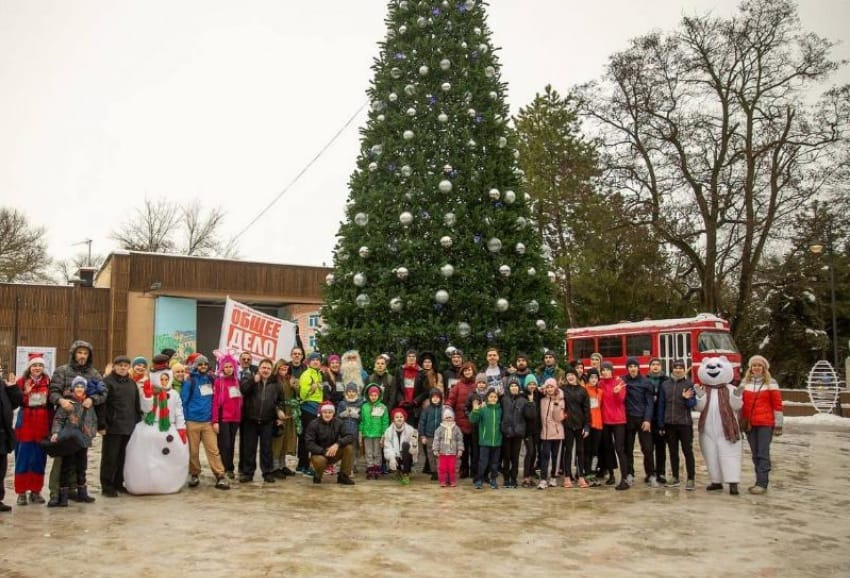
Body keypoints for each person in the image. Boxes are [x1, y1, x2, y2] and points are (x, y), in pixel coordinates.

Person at [47, 340, 104, 506]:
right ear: (73, 354)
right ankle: (55, 492)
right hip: (66, 422)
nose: (82, 356)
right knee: (61, 459)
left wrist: (93, 399)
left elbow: (103, 392)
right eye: (79, 353)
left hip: (84, 423)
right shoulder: (62, 371)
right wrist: (61, 400)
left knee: (80, 459)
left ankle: (74, 490)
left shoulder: (94, 373)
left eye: (85, 353)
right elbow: (53, 392)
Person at [124, 369, 191, 494]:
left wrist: (181, 428)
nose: (164, 382)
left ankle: (168, 483)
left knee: (173, 458)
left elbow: (178, 412)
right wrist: (148, 396)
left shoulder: (174, 394)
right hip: (150, 427)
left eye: (166, 379)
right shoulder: (150, 392)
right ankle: (146, 483)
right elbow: (145, 409)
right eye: (161, 379)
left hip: (167, 428)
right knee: (147, 459)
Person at [695, 356, 743, 495]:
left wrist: (737, 396)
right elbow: (699, 408)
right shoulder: (704, 389)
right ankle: (716, 481)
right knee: (711, 454)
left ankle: (733, 482)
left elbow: (736, 406)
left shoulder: (731, 389)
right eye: (709, 367)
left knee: (730, 455)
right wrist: (700, 397)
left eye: (718, 366)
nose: (713, 369)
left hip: (727, 428)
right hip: (707, 429)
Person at [181, 355, 229, 489]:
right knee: (193, 451)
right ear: (196, 366)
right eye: (200, 364)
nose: (203, 367)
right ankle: (194, 474)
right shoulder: (190, 381)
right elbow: (183, 401)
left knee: (213, 450)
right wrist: (184, 420)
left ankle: (220, 475)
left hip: (208, 422)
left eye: (205, 364)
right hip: (192, 421)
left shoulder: (211, 379)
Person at [50, 376, 99, 506]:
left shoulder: (88, 404)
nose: (79, 388)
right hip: (69, 440)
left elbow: (93, 420)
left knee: (82, 466)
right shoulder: (67, 403)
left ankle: (82, 493)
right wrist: (56, 432)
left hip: (83, 440)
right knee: (66, 467)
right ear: (73, 388)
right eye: (77, 386)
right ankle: (63, 496)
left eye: (82, 386)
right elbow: (58, 419)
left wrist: (91, 433)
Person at [740, 355, 783, 495]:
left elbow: (777, 405)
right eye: (754, 365)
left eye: (759, 365)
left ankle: (762, 483)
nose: (756, 368)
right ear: (750, 368)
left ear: (764, 368)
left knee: (762, 453)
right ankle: (758, 480)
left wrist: (778, 424)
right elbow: (738, 403)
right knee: (754, 454)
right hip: (750, 425)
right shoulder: (744, 383)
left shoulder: (771, 383)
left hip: (765, 424)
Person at [100, 355, 142, 497]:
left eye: (125, 365)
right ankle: (107, 486)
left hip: (128, 426)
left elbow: (136, 404)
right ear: (114, 366)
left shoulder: (131, 383)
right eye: (120, 365)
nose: (123, 368)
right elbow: (102, 405)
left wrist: (137, 420)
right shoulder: (107, 382)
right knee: (110, 457)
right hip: (112, 426)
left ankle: (118, 483)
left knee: (123, 457)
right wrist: (102, 424)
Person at [13, 356, 52, 505]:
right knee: (23, 458)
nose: (37, 368)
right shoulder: (21, 382)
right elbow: (16, 402)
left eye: (40, 365)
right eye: (34, 365)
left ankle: (36, 491)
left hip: (42, 424)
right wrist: (25, 393)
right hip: (26, 424)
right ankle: (21, 492)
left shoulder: (48, 382)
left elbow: (50, 403)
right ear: (29, 367)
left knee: (39, 459)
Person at [239, 358, 283, 483]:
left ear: (271, 370)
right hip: (250, 420)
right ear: (259, 368)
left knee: (267, 448)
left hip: (267, 421)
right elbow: (243, 390)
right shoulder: (250, 378)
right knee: (249, 448)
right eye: (263, 367)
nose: (266, 370)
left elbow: (279, 402)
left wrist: (279, 412)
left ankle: (267, 472)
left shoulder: (276, 384)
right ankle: (248, 473)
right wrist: (253, 381)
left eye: (268, 368)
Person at [656, 359, 697, 490]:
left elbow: (692, 404)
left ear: (684, 370)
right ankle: (675, 477)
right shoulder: (665, 385)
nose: (678, 369)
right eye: (675, 367)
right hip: (669, 424)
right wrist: (661, 423)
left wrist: (687, 399)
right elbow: (661, 404)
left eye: (680, 367)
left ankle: (691, 478)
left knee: (687, 451)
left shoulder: (689, 384)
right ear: (672, 369)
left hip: (684, 424)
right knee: (673, 452)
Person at [622, 358, 657, 487]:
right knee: (628, 449)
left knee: (647, 448)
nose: (632, 368)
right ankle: (629, 473)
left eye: (634, 366)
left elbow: (649, 403)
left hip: (643, 420)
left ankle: (651, 474)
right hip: (628, 419)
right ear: (627, 368)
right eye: (630, 366)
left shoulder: (646, 382)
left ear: (638, 368)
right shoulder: (622, 381)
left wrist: (647, 419)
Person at [304, 401, 355, 485]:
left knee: (348, 448)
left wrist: (337, 444)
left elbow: (350, 436)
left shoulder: (338, 422)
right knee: (321, 461)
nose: (327, 414)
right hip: (318, 454)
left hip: (333, 452)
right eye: (325, 412)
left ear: (333, 413)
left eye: (330, 412)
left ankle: (343, 476)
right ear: (321, 412)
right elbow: (309, 443)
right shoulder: (313, 424)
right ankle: (317, 475)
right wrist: (323, 451)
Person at [599, 361, 629, 490]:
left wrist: (617, 392)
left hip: (618, 421)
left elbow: (621, 400)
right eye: (602, 370)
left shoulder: (619, 382)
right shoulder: (600, 384)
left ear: (612, 371)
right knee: (608, 449)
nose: (604, 372)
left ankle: (624, 478)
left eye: (606, 370)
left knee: (620, 449)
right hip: (605, 421)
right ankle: (611, 474)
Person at [212, 353, 242, 480]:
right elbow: (215, 403)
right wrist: (215, 421)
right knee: (224, 445)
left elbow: (240, 400)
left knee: (231, 444)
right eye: (226, 366)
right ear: (222, 368)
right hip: (223, 418)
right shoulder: (219, 382)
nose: (229, 369)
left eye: (231, 366)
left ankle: (230, 468)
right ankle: (223, 468)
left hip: (235, 419)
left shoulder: (237, 382)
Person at [500, 377, 533, 489]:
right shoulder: (504, 399)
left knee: (515, 457)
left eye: (516, 386)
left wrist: (531, 402)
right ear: (508, 387)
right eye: (512, 385)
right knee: (506, 456)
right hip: (507, 432)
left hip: (518, 433)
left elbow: (529, 416)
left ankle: (514, 478)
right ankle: (506, 478)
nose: (514, 387)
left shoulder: (523, 400)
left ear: (519, 388)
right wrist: (504, 427)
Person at [446, 361, 477, 478]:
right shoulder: (458, 385)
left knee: (475, 449)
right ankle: (464, 469)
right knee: (462, 448)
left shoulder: (477, 384)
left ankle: (474, 470)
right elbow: (451, 399)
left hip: (474, 422)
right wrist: (447, 407)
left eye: (470, 370)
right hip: (460, 422)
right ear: (462, 372)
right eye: (465, 370)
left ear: (473, 371)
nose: (468, 372)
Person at [561, 368, 590, 488]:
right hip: (567, 424)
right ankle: (567, 476)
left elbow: (587, 409)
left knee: (580, 451)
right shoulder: (562, 390)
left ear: (576, 376)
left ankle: (581, 476)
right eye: (568, 375)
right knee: (568, 451)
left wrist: (587, 426)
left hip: (580, 425)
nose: (570, 377)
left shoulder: (583, 390)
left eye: (572, 374)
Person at [297, 351, 324, 475]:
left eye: (317, 360)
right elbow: (302, 394)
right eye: (313, 359)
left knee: (313, 438)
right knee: (306, 438)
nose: (315, 361)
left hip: (318, 409)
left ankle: (306, 464)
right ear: (309, 362)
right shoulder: (306, 374)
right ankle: (303, 465)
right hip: (308, 408)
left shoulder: (319, 374)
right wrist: (311, 389)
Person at [469, 388, 502, 490]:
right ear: (487, 398)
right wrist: (475, 409)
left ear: (497, 398)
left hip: (497, 442)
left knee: (495, 463)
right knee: (482, 462)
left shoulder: (500, 410)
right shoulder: (483, 409)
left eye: (495, 397)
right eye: (491, 396)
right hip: (484, 441)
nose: (493, 398)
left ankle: (493, 479)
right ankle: (479, 479)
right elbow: (473, 419)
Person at [271, 360, 298, 478]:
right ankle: (275, 467)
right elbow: (271, 399)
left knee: (286, 440)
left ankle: (282, 465)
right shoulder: (273, 381)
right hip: (278, 412)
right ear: (277, 369)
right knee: (277, 441)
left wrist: (295, 386)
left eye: (286, 369)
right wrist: (277, 412)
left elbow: (298, 395)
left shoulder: (289, 380)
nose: (284, 371)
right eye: (281, 369)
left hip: (289, 413)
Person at [1, 368, 23, 512]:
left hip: (2, 435)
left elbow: (14, 404)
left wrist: (13, 388)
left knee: (1, 469)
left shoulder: (2, 384)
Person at [537, 378, 565, 490]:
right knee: (544, 456)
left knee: (555, 456)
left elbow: (559, 418)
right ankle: (543, 479)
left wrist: (557, 404)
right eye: (547, 387)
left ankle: (553, 476)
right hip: (545, 433)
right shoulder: (542, 400)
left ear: (555, 388)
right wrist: (541, 388)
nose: (549, 389)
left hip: (557, 433)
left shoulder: (560, 400)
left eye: (551, 387)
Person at [646, 357, 669, 484]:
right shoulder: (645, 380)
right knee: (648, 448)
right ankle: (649, 472)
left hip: (661, 419)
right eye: (653, 364)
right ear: (649, 367)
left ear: (661, 367)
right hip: (648, 419)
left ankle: (661, 472)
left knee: (661, 448)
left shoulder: (666, 381)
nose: (655, 367)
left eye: (658, 365)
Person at [359, 384, 389, 480]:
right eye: (371, 395)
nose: (373, 397)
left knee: (377, 452)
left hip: (378, 433)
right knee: (368, 452)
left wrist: (384, 434)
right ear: (368, 395)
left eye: (375, 395)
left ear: (379, 395)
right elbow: (362, 420)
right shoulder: (364, 407)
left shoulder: (383, 407)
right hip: (367, 433)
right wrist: (361, 431)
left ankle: (376, 468)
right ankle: (370, 467)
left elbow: (385, 421)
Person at [383, 407, 419, 485]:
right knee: (392, 456)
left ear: (404, 418)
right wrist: (392, 458)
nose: (399, 419)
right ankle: (398, 470)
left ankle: (406, 473)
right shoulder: (388, 431)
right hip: (396, 456)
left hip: (407, 456)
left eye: (401, 417)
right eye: (397, 417)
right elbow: (387, 447)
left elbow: (414, 451)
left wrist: (414, 445)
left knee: (405, 445)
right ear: (393, 419)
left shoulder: (411, 430)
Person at [582, 368, 604, 486]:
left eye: (596, 377)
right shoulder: (583, 390)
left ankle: (593, 472)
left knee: (595, 451)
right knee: (587, 450)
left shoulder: (600, 391)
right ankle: (586, 473)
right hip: (588, 425)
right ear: (588, 378)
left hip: (598, 424)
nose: (594, 379)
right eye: (591, 377)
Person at [432, 407, 464, 487]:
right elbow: (436, 439)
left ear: (453, 418)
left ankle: (452, 481)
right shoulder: (439, 429)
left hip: (453, 452)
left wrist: (460, 449)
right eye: (446, 418)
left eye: (450, 417)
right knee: (442, 468)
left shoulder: (456, 429)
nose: (448, 419)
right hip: (442, 452)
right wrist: (435, 449)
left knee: (452, 468)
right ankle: (443, 481)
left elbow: (460, 440)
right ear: (443, 418)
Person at [418, 388, 444, 480]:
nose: (435, 399)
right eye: (433, 397)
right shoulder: (426, 409)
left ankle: (441, 470)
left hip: (441, 437)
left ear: (441, 398)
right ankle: (434, 471)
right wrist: (422, 435)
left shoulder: (444, 409)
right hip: (429, 436)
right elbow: (422, 423)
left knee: (440, 454)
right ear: (430, 398)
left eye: (437, 397)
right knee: (431, 454)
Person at [521, 375, 542, 488]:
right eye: (530, 384)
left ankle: (530, 474)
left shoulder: (538, 394)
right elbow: (529, 415)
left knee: (534, 452)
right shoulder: (523, 396)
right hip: (527, 429)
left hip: (537, 429)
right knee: (530, 451)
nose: (532, 386)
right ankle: (526, 477)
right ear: (526, 385)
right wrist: (530, 402)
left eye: (534, 384)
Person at [336, 383, 363, 469]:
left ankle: (353, 465)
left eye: (353, 391)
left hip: (355, 430)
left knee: (354, 448)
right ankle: (344, 465)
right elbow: (337, 417)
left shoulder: (360, 403)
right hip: (344, 430)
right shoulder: (342, 403)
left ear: (357, 393)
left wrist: (356, 415)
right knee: (344, 447)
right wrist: (344, 414)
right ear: (346, 392)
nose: (351, 393)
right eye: (349, 391)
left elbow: (362, 418)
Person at [395, 349, 425, 425]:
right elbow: (396, 388)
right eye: (409, 356)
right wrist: (401, 400)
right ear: (406, 358)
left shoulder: (421, 372)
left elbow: (425, 390)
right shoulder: (399, 370)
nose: (411, 358)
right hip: (402, 405)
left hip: (415, 406)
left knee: (413, 431)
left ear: (416, 358)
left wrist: (415, 401)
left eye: (413, 356)